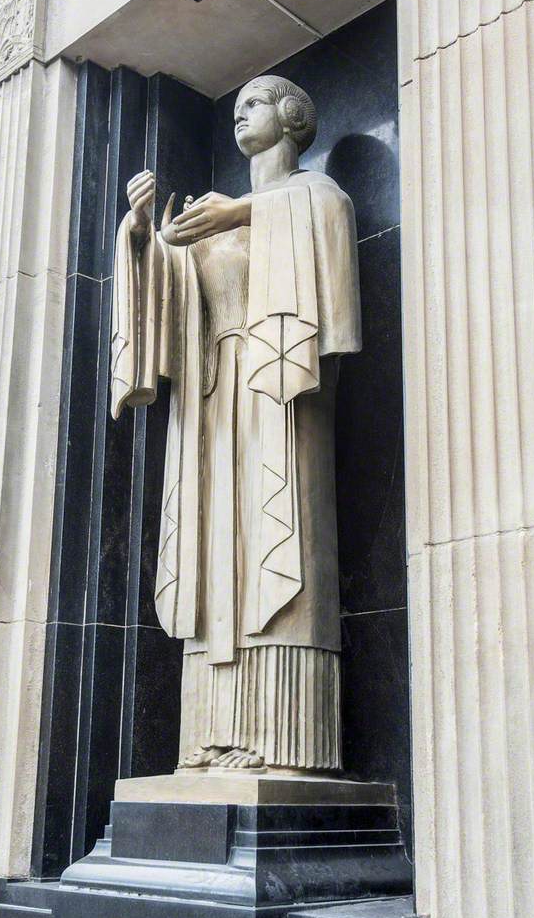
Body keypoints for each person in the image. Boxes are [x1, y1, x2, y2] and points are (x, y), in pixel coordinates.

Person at [111, 75, 361, 774]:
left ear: (290, 117)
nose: (240, 115)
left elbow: (321, 236)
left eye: (255, 103)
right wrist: (139, 239)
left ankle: (285, 741)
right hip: (212, 401)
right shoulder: (213, 215)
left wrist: (240, 214)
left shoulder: (311, 198)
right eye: (238, 104)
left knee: (279, 545)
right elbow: (168, 295)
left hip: (280, 389)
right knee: (214, 553)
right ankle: (210, 736)